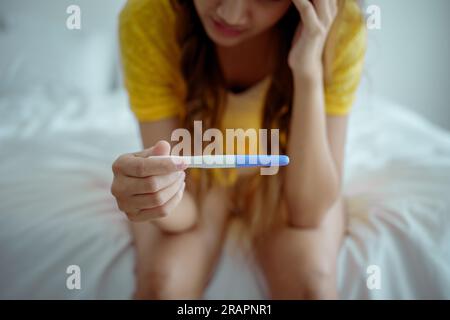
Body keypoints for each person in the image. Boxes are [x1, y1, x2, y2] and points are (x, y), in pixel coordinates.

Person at [111, 0, 366, 299]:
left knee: (312, 283)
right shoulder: (149, 17)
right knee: (163, 283)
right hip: (198, 182)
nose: (230, 14)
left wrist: (308, 70)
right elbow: (184, 213)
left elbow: (308, 213)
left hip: (286, 179)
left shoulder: (340, 25)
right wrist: (156, 196)